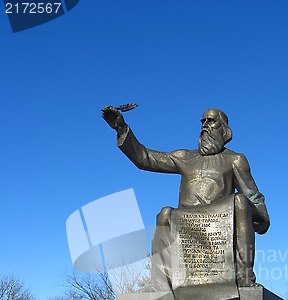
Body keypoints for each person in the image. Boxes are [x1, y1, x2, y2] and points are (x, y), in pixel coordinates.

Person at [102, 106, 270, 289]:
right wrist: (122, 128)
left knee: (240, 201)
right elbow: (145, 158)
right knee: (165, 213)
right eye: (203, 121)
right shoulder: (186, 157)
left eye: (211, 121)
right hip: (186, 220)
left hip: (218, 219)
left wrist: (260, 217)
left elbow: (251, 194)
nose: (205, 125)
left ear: (224, 129)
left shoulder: (235, 159)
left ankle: (244, 278)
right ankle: (160, 286)